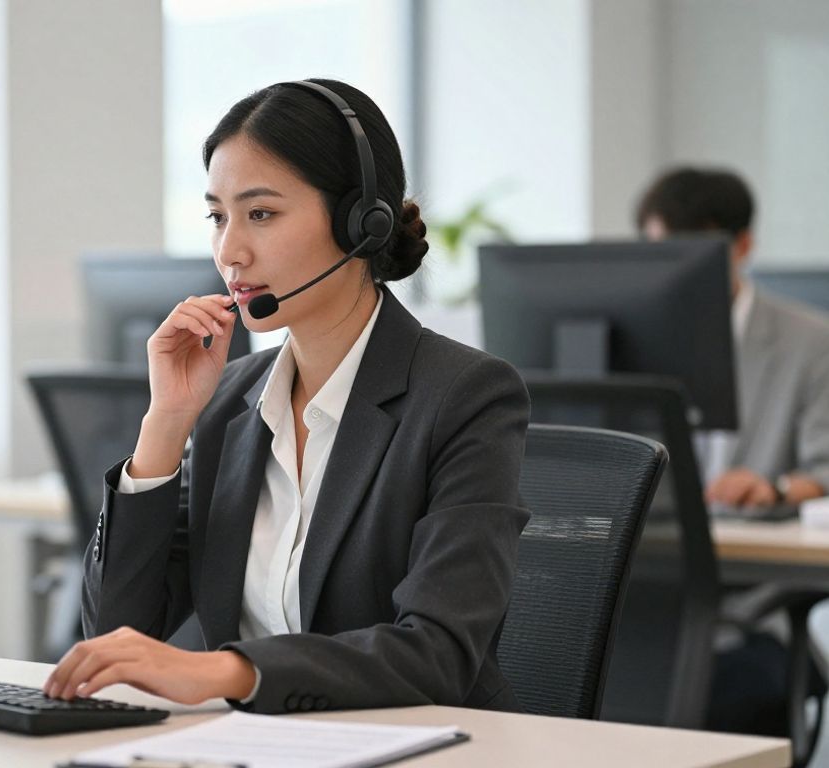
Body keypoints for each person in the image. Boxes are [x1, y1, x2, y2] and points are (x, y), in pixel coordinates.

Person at [41, 78, 531, 714]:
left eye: (261, 214)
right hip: (259, 745)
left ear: (361, 222)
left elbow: (437, 654)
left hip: (419, 745)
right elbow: (116, 632)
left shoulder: (465, 397)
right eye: (218, 217)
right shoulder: (230, 403)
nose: (229, 252)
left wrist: (229, 673)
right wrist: (166, 422)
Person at [636, 167, 829, 508]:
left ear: (743, 246)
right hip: (659, 535)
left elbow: (824, 469)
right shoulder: (636, 339)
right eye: (660, 252)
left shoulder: (813, 341)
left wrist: (775, 489)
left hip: (759, 535)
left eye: (691, 254)